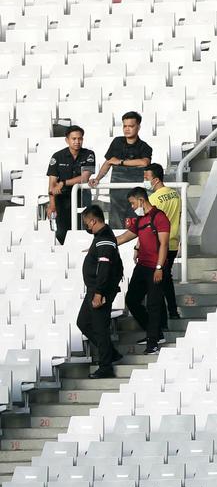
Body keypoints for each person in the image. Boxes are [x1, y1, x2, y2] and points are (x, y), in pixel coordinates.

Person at [114, 188, 170, 354]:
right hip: (142, 267)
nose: (132, 207)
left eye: (132, 203)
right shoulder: (140, 220)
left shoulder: (159, 217)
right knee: (131, 300)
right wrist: (100, 245)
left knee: (153, 305)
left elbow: (164, 245)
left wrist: (159, 267)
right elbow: (124, 237)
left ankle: (152, 343)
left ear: (141, 200)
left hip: (155, 267)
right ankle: (155, 333)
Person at [77, 205, 123, 379]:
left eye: (86, 223)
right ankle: (111, 353)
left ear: (93, 220)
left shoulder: (104, 238)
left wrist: (99, 293)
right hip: (94, 290)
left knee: (99, 328)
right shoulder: (101, 237)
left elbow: (104, 267)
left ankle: (106, 366)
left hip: (99, 291)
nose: (86, 226)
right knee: (83, 322)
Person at [90, 111, 153, 227]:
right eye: (125, 126)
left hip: (136, 191)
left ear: (138, 127)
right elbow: (108, 162)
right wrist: (98, 178)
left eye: (131, 126)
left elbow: (144, 162)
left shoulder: (145, 147)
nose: (127, 129)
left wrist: (121, 162)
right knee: (116, 224)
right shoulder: (117, 142)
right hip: (116, 191)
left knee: (135, 224)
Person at [46, 125, 96, 245]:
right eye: (74, 139)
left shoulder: (89, 154)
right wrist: (52, 204)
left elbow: (85, 177)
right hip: (62, 199)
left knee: (84, 230)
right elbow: (52, 183)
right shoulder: (57, 156)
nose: (77, 141)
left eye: (80, 138)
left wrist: (63, 183)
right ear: (67, 140)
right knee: (62, 233)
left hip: (82, 197)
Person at [145, 163, 182, 321]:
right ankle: (172, 312)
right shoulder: (175, 195)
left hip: (160, 245)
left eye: (147, 177)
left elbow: (150, 223)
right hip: (173, 242)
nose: (145, 180)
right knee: (166, 278)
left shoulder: (153, 199)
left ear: (156, 179)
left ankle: (164, 318)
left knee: (159, 281)